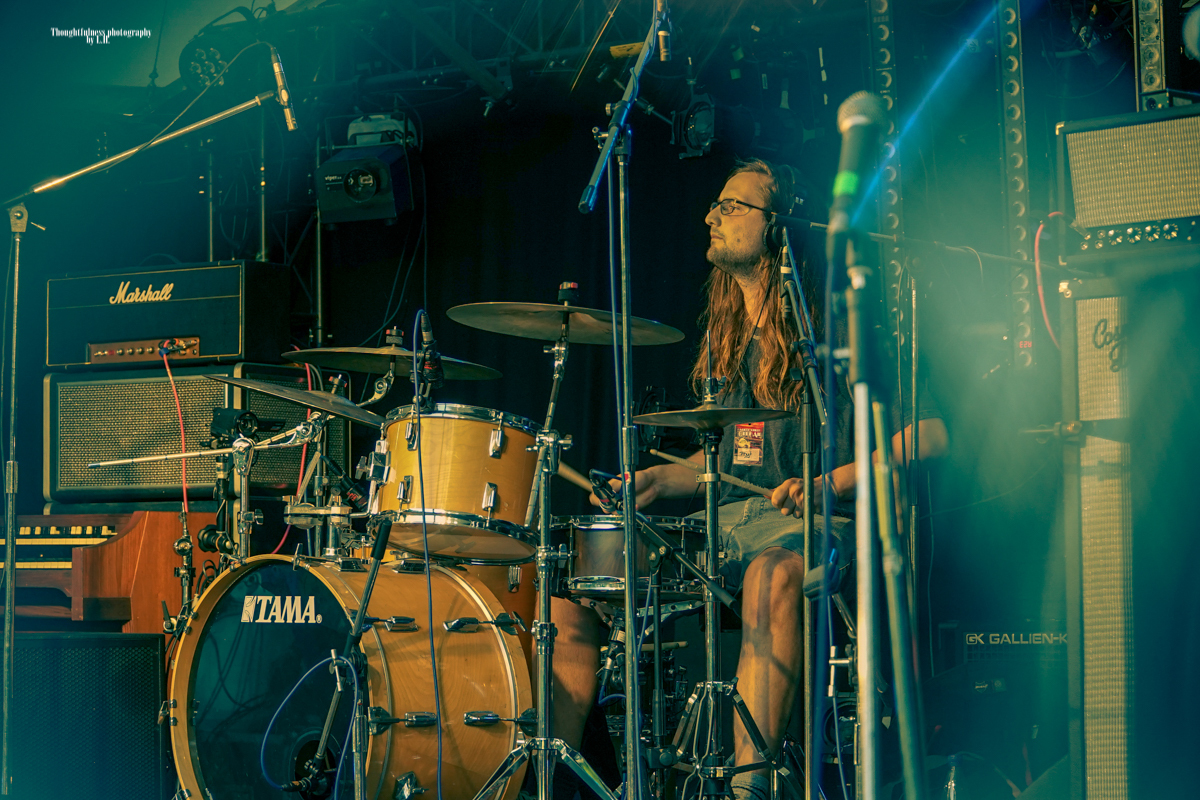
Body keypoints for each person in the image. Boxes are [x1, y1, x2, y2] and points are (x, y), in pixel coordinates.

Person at [550, 158, 949, 800]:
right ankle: (555, 784)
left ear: (778, 226)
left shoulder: (838, 329)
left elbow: (930, 435)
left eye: (732, 206)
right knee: (577, 585)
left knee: (771, 575)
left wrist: (831, 483)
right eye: (716, 204)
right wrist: (656, 481)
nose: (712, 215)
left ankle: (749, 788)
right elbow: (723, 469)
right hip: (730, 523)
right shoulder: (728, 340)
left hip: (819, 523)